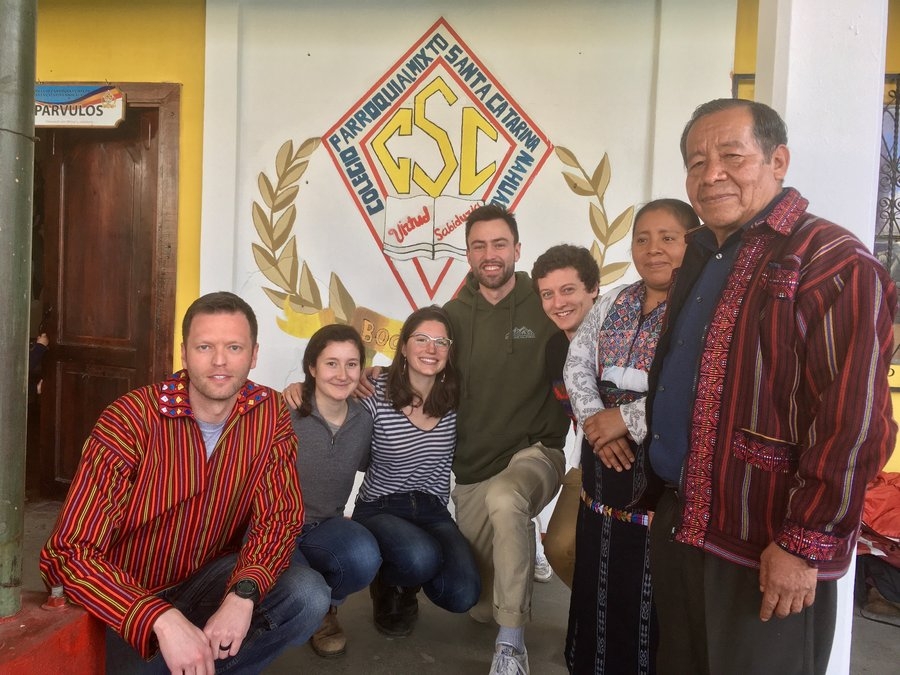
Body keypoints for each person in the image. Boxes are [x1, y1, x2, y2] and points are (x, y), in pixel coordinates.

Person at [646, 99, 897, 675]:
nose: (711, 175)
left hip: (767, 542)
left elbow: (854, 421)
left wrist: (804, 542)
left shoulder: (832, 261)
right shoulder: (705, 253)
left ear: (777, 160)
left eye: (732, 156)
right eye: (696, 162)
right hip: (686, 519)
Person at [40, 291, 330, 675]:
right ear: (184, 353)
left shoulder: (269, 413)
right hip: (125, 601)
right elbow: (66, 554)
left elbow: (279, 517)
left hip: (206, 580)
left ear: (254, 354)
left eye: (234, 347)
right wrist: (157, 617)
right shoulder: (131, 419)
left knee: (307, 594)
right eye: (205, 346)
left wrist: (243, 595)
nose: (220, 361)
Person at [563, 199, 697, 674]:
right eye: (642, 238)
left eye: (668, 238)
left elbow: (700, 385)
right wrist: (599, 423)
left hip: (658, 469)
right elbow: (577, 362)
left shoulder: (703, 308)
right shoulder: (612, 300)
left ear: (693, 242)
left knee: (651, 587)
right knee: (597, 572)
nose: (653, 249)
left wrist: (630, 420)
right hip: (603, 460)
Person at [444, 203, 570, 674]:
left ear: (518, 249)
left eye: (500, 244)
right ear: (469, 255)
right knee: (477, 606)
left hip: (535, 452)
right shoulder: (452, 315)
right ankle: (522, 543)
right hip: (474, 465)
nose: (490, 254)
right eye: (479, 246)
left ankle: (511, 645)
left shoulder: (546, 304)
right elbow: (415, 364)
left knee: (506, 498)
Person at [351, 306, 481, 637]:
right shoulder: (374, 392)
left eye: (441, 341)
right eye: (421, 339)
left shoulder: (456, 400)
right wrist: (299, 390)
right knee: (420, 557)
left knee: (463, 593)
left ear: (450, 352)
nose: (431, 348)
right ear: (405, 347)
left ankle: (408, 569)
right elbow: (329, 401)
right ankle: (390, 581)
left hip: (431, 509)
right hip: (380, 505)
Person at [290, 324, 382, 658]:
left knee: (364, 555)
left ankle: (328, 608)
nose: (342, 374)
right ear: (312, 368)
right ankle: (307, 609)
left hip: (324, 525)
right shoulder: (284, 412)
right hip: (275, 527)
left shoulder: (363, 420)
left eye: (352, 364)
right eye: (331, 363)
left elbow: (370, 464)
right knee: (303, 594)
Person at [529, 244, 601, 589]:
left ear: (593, 289)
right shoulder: (555, 348)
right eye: (548, 294)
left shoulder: (619, 336)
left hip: (643, 465)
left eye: (568, 290)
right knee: (560, 548)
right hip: (587, 460)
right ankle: (595, 616)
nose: (558, 303)